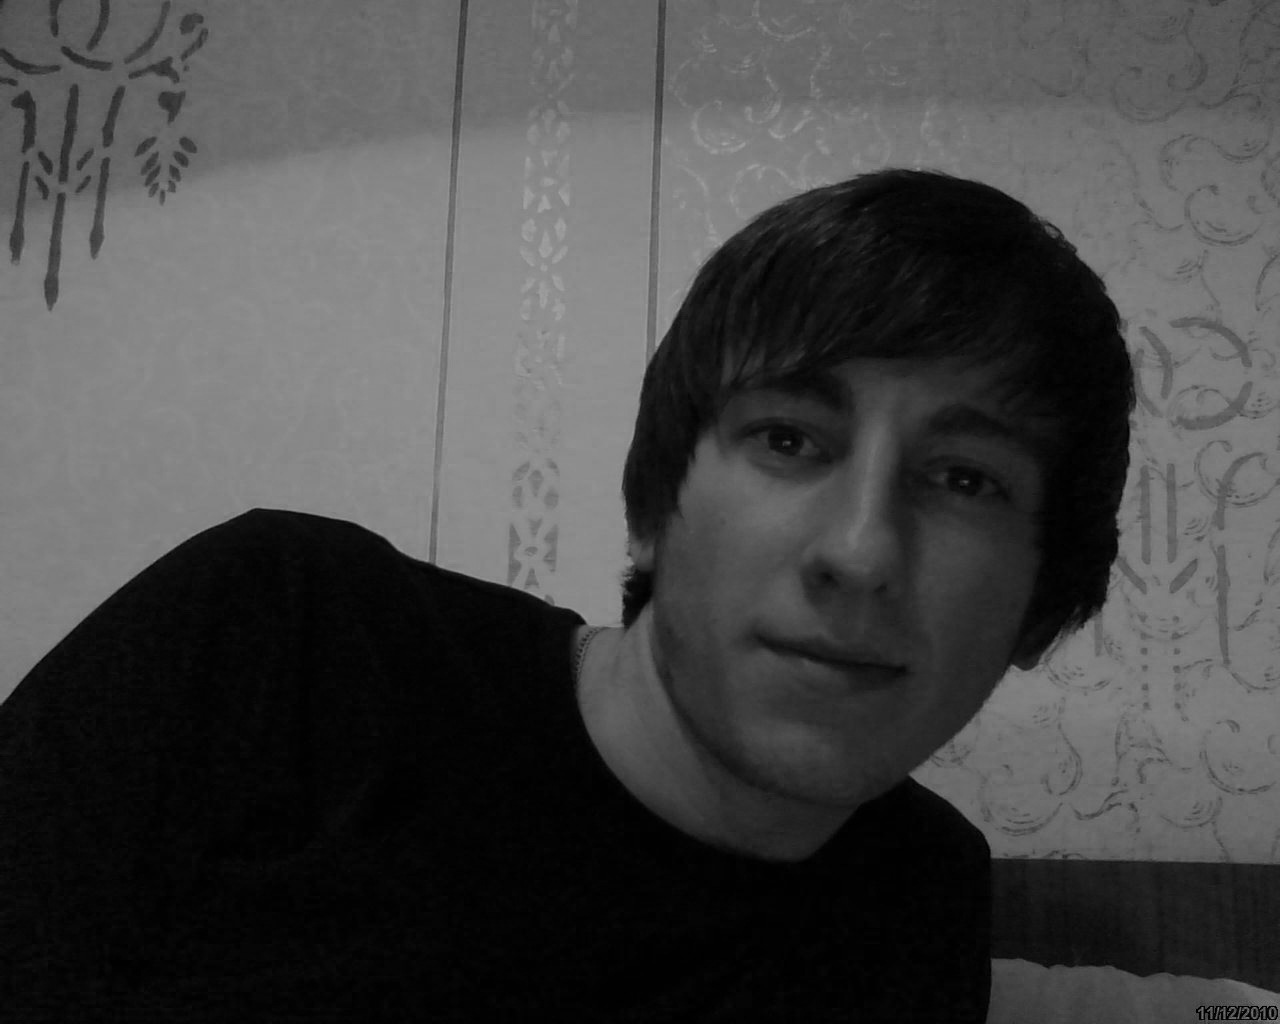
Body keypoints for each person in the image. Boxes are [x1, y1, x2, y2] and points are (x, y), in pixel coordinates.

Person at [0, 168, 1134, 1022]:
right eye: (788, 438)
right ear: (652, 504)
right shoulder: (284, 631)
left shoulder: (919, 899)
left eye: (965, 479)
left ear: (1040, 606)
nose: (860, 550)